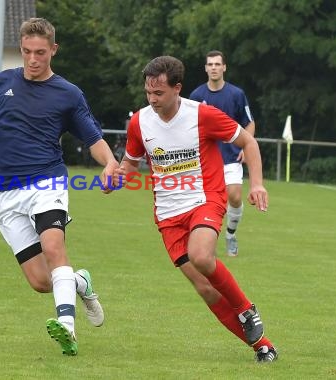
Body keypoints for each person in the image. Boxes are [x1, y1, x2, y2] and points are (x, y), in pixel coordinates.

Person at [0, 17, 119, 356]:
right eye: (28, 52)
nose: (33, 60)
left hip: (47, 180)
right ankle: (79, 283)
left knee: (54, 246)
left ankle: (67, 328)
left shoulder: (69, 94)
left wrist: (109, 162)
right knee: (40, 281)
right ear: (21, 49)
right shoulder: (0, 83)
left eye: (41, 53)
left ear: (54, 50)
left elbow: (93, 138)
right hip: (2, 192)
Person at [118, 56, 278, 363]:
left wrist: (256, 184)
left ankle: (246, 309)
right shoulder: (139, 121)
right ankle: (262, 347)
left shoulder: (202, 115)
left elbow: (249, 143)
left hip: (205, 199)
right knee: (206, 290)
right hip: (167, 215)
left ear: (177, 88)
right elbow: (129, 163)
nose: (152, 99)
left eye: (159, 93)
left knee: (202, 255)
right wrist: (114, 175)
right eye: (148, 93)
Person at [190, 51, 255, 257]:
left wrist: (246, 147)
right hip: (204, 161)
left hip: (230, 156)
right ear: (206, 68)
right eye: (210, 64)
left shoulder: (236, 94)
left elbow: (249, 123)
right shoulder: (196, 96)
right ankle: (206, 242)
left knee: (234, 197)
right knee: (206, 202)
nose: (214, 67)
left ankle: (230, 235)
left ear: (224, 67)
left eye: (218, 64)